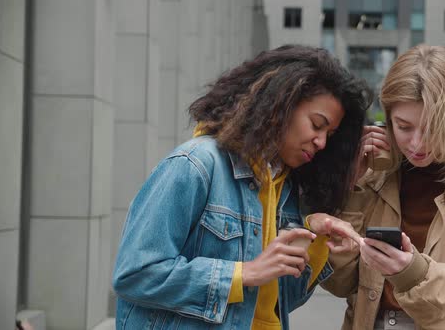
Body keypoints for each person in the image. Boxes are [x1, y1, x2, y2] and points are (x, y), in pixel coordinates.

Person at [112, 45, 371, 330]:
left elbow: (279, 302)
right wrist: (242, 273)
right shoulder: (195, 164)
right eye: (316, 124)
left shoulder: (284, 190)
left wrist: (316, 238)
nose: (321, 142)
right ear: (281, 103)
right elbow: (135, 273)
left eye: (329, 134)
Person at [315, 44, 445, 329]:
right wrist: (350, 187)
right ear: (386, 120)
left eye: (433, 127)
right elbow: (339, 283)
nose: (417, 144)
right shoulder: (372, 175)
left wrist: (413, 274)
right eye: (404, 126)